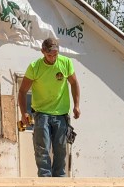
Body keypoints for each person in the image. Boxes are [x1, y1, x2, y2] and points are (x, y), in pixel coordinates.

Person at [18, 37, 80, 177]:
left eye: (55, 55)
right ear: (43, 52)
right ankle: (45, 178)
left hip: (61, 114)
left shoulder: (66, 62)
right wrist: (24, 113)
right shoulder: (35, 67)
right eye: (49, 55)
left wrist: (76, 105)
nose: (52, 58)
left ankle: (59, 179)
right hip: (41, 113)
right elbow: (22, 91)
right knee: (42, 149)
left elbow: (74, 83)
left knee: (61, 149)